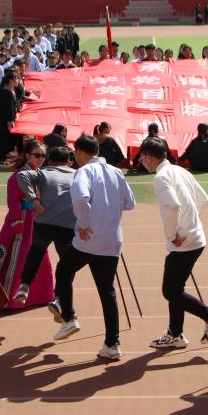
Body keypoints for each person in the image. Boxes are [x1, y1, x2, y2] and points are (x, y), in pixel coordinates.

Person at [49, 133, 135, 361]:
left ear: (79, 151)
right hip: (112, 240)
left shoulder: (84, 171)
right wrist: (109, 210)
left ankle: (69, 317)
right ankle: (112, 344)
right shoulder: (116, 172)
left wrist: (85, 222)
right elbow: (130, 203)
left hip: (89, 238)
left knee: (64, 270)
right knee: (107, 291)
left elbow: (80, 197)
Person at [141, 136, 208, 349]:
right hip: (195, 238)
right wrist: (191, 222)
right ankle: (175, 333)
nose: (141, 161)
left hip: (184, 243)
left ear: (150, 156)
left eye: (142, 157)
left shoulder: (161, 177)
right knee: (176, 288)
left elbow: (172, 206)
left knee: (170, 291)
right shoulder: (179, 170)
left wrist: (173, 235)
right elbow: (203, 197)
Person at [0, 139, 55, 308]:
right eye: (37, 155)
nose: (41, 159)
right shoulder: (19, 176)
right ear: (27, 155)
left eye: (43, 155)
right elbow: (13, 202)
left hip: (37, 221)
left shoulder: (40, 174)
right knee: (20, 258)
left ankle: (40, 296)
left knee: (39, 257)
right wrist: (18, 224)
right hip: (23, 222)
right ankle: (9, 299)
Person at [14, 145, 74, 305]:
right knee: (67, 263)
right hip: (67, 225)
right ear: (69, 162)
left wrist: (34, 199)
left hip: (43, 223)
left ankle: (25, 285)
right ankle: (59, 297)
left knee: (36, 251)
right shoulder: (77, 174)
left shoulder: (43, 173)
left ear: (49, 160)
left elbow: (21, 176)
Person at [0, 71, 20, 164]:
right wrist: (10, 121)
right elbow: (8, 108)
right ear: (11, 80)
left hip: (6, 120)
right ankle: (3, 159)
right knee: (4, 140)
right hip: (4, 121)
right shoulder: (6, 92)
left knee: (8, 139)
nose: (18, 80)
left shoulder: (10, 89)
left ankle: (7, 157)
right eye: (16, 78)